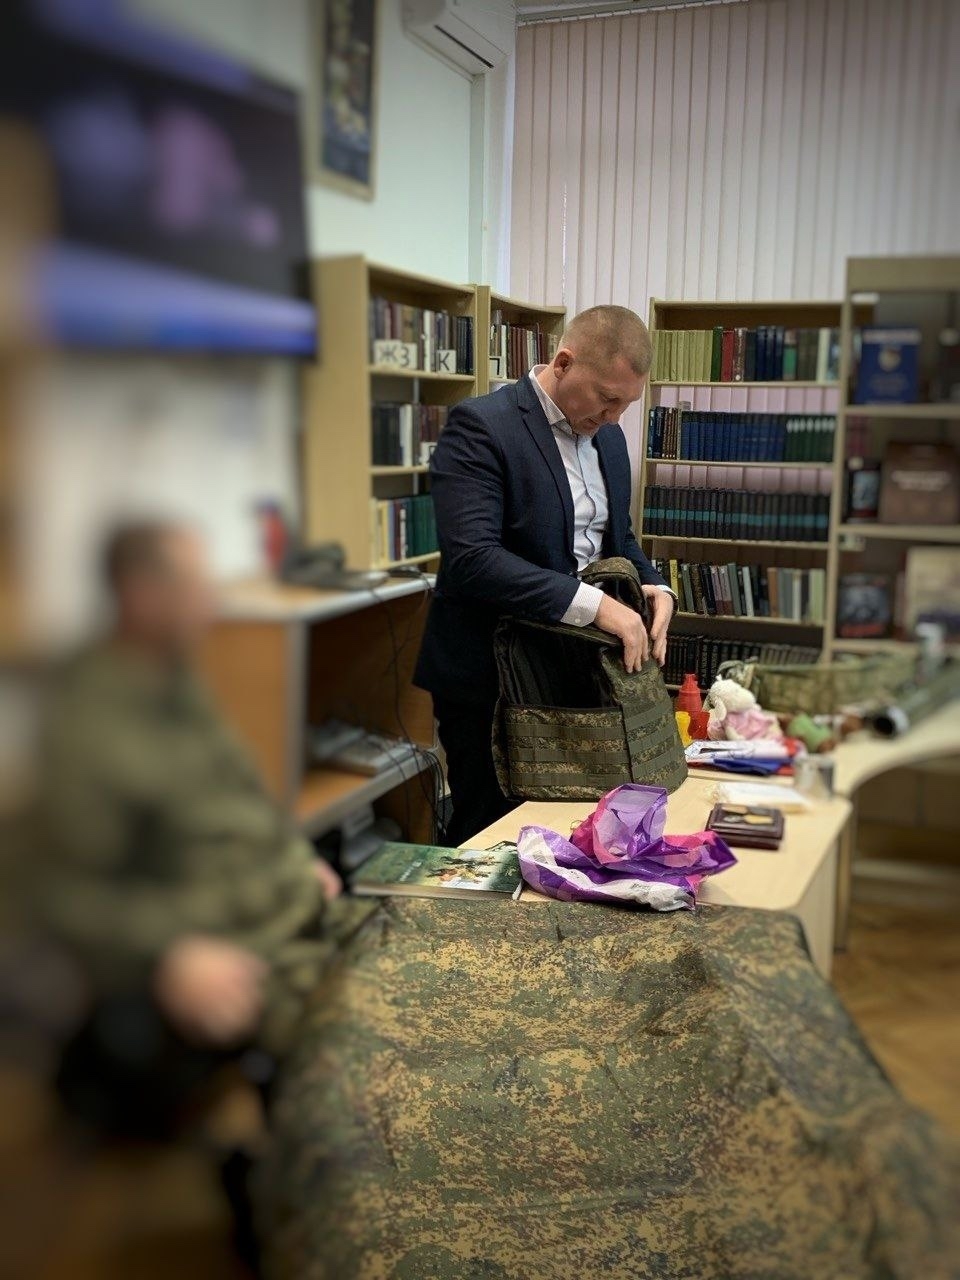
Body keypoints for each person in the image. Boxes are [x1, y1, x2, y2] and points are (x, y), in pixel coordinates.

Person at [32, 520, 343, 1138]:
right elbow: (64, 893)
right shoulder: (89, 727)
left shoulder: (176, 685)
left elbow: (246, 800)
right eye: (196, 586)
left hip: (291, 913)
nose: (212, 601)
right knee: (381, 1083)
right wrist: (169, 955)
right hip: (240, 952)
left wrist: (294, 858)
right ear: (142, 597)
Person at [415, 305, 676, 846]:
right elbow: (473, 558)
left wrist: (656, 586)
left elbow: (618, 538)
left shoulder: (607, 437)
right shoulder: (481, 425)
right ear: (563, 363)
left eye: (626, 404)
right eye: (606, 398)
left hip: (570, 664)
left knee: (568, 830)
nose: (614, 417)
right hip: (490, 673)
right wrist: (598, 606)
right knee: (494, 835)